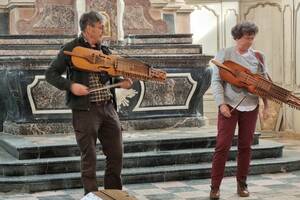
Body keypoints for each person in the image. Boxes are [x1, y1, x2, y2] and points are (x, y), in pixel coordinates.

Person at [45, 11, 132, 195]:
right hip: (85, 111)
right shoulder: (71, 49)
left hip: (108, 108)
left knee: (116, 154)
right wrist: (71, 85)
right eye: (100, 27)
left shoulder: (104, 50)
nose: (103, 31)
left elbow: (114, 75)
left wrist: (123, 80)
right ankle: (91, 196)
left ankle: (113, 194)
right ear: (89, 28)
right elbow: (50, 74)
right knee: (89, 157)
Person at [209, 21, 269, 199]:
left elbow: (264, 84)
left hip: (251, 105)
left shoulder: (258, 56)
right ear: (237, 37)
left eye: (252, 38)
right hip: (229, 106)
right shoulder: (225, 53)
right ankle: (215, 187)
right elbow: (216, 81)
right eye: (246, 38)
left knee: (245, 146)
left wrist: (266, 105)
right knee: (222, 146)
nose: (250, 41)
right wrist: (221, 104)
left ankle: (242, 184)